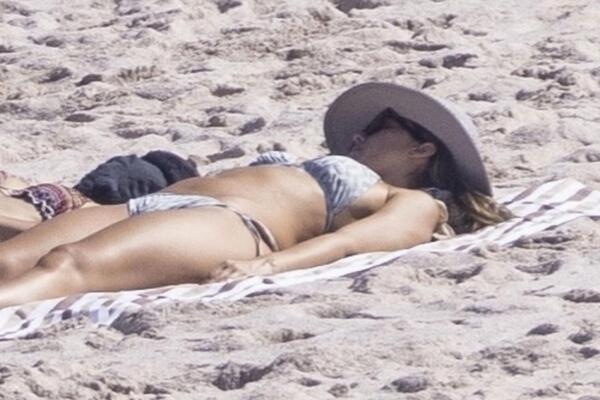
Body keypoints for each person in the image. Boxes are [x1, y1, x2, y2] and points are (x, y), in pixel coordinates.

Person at [0, 82, 512, 309]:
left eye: (380, 125)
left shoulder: (418, 203)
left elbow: (349, 244)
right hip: (153, 204)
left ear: (423, 148)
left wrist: (266, 266)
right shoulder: (333, 166)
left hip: (227, 223)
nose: (360, 134)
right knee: (8, 262)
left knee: (68, 264)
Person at [0, 150, 199, 241]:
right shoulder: (91, 214)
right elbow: (39, 237)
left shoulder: (75, 203)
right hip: (76, 206)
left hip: (62, 199)